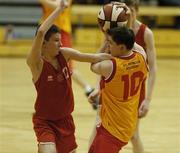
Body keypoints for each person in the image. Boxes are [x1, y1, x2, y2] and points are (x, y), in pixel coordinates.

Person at [26, 0, 111, 153]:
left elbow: (90, 57)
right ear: (44, 44)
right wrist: (60, 9)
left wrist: (114, 57)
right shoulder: (36, 63)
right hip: (45, 122)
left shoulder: (64, 54)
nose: (60, 44)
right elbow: (40, 32)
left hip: (66, 120)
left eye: (60, 40)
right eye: (56, 41)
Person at [89, 1, 157, 153]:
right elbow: (105, 61)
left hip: (134, 89)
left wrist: (148, 99)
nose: (128, 15)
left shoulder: (146, 33)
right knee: (99, 126)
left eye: (131, 12)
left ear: (136, 11)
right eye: (125, 13)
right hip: (114, 85)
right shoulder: (114, 33)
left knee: (134, 135)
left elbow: (153, 68)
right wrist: (98, 87)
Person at [39, 0, 97, 109]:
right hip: (46, 31)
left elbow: (58, 6)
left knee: (68, 68)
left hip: (61, 32)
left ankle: (88, 89)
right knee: (46, 67)